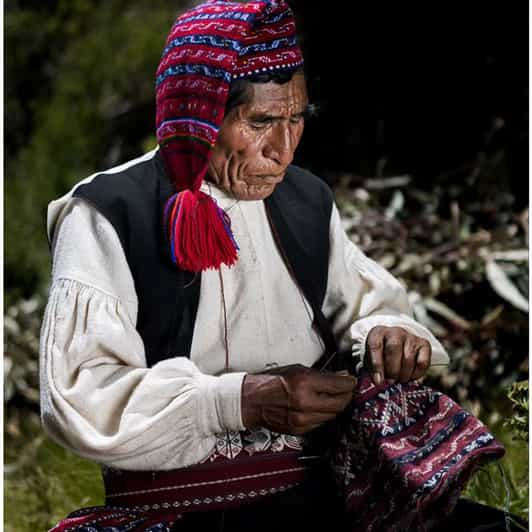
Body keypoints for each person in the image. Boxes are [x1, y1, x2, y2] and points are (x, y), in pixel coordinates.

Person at [41, 1, 519, 531]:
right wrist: (238, 401)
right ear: (199, 118)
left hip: (322, 494)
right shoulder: (109, 212)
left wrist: (388, 332)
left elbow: (366, 304)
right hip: (186, 513)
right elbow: (82, 394)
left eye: (296, 120)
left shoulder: (304, 201)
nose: (284, 149)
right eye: (262, 122)